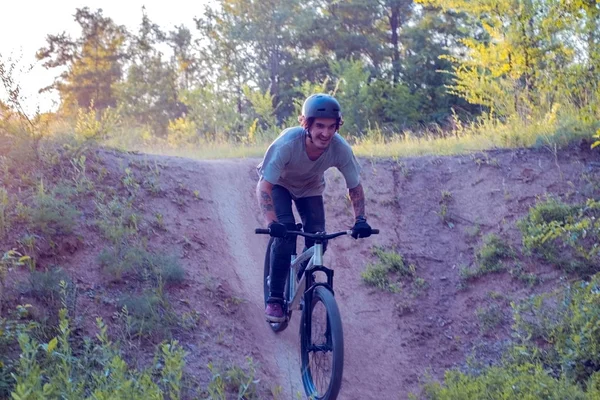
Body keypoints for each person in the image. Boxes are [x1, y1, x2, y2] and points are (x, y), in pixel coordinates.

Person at [256, 93, 372, 323]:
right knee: (286, 232)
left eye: (331, 127)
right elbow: (264, 187)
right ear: (306, 124)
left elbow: (355, 187)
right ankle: (276, 298)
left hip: (310, 188)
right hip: (279, 184)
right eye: (319, 126)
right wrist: (272, 223)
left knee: (319, 238)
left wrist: (360, 220)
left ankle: (300, 277)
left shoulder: (340, 148)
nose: (326, 133)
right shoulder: (287, 144)